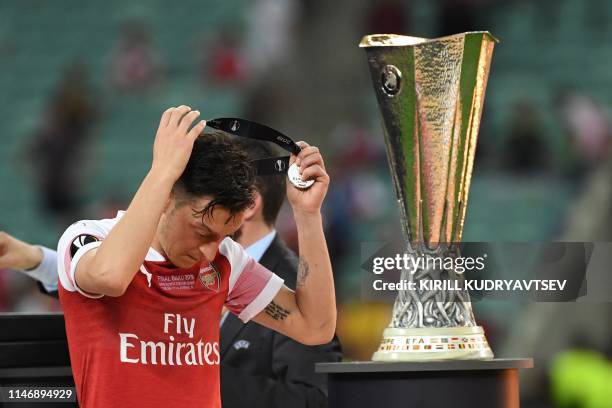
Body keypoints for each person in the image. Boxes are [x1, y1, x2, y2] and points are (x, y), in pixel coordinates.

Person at [0, 138, 342, 408]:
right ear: (166, 197)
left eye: (225, 236)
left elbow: (316, 327)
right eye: (203, 231)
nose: (210, 250)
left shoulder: (225, 259)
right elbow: (110, 277)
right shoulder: (88, 238)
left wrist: (308, 217)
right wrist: (162, 171)